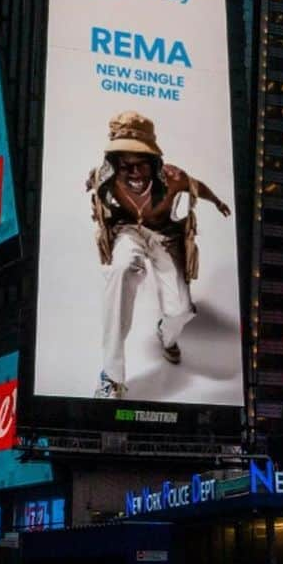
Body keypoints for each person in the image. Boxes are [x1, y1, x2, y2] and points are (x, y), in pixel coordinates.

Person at [86, 112, 230, 398]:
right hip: (129, 232)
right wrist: (89, 185)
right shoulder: (106, 178)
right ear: (115, 164)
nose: (135, 173)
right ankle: (112, 376)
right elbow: (92, 182)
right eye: (126, 166)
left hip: (164, 236)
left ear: (154, 163)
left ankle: (166, 336)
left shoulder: (174, 177)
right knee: (122, 270)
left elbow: (197, 187)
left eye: (142, 164)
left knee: (181, 310)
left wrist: (217, 202)